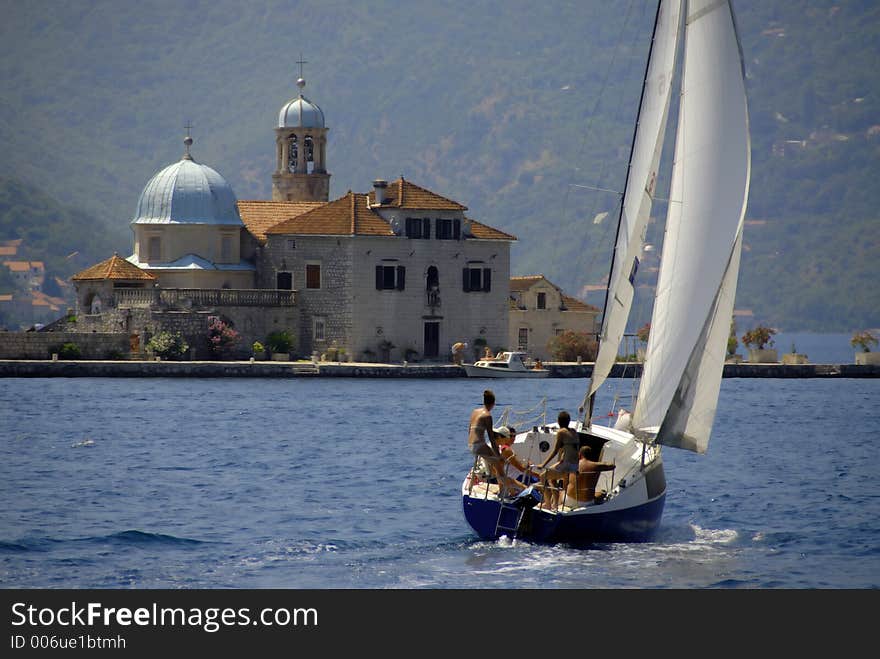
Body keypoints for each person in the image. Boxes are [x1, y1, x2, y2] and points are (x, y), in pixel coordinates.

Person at [467, 390, 525, 496]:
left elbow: (469, 429)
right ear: (493, 404)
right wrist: (498, 455)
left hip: (471, 444)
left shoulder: (475, 412)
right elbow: (491, 438)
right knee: (499, 466)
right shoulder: (487, 415)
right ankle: (508, 491)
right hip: (479, 445)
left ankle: (506, 490)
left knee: (497, 467)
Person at [536, 410, 580, 510]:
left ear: (558, 421)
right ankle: (555, 504)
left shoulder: (561, 432)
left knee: (542, 476)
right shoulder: (574, 432)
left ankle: (547, 503)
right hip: (575, 466)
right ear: (569, 421)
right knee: (552, 479)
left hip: (567, 465)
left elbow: (555, 451)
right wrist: (560, 460)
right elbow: (569, 449)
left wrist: (543, 464)